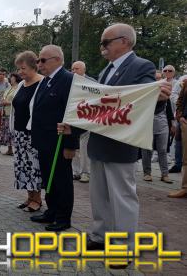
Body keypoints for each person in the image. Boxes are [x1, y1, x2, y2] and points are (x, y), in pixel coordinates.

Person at [59, 24, 172, 269]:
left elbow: (145, 102)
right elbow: (98, 110)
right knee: (99, 195)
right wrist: (74, 128)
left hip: (121, 144)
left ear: (124, 41)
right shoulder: (105, 72)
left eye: (105, 42)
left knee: (122, 197)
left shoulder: (142, 66)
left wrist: (159, 98)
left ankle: (123, 247)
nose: (102, 47)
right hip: (100, 141)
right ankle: (100, 236)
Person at [29, 45, 78, 232]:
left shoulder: (68, 80)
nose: (39, 64)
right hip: (45, 141)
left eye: (42, 60)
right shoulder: (47, 80)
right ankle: (52, 211)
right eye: (38, 60)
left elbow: (73, 114)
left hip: (59, 142)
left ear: (57, 59)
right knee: (48, 178)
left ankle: (63, 217)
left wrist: (71, 144)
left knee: (62, 180)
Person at [12, 52, 43, 212]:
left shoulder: (42, 83)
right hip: (19, 133)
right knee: (22, 166)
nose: (20, 72)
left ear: (33, 66)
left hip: (32, 133)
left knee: (33, 166)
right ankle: (29, 196)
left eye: (23, 68)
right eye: (19, 69)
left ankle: (37, 199)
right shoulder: (21, 85)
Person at [141, 72, 174, 183]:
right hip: (147, 123)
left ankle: (165, 175)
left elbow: (169, 110)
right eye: (156, 78)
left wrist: (172, 124)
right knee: (147, 150)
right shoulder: (146, 92)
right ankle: (147, 173)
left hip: (162, 124)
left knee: (163, 150)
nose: (159, 80)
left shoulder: (165, 93)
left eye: (160, 78)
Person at [70, 61, 92, 183]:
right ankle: (76, 171)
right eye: (72, 69)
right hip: (73, 118)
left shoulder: (91, 82)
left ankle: (85, 172)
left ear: (84, 69)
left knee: (84, 148)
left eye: (76, 69)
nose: (73, 71)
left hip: (86, 119)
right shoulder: (69, 82)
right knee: (74, 146)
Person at [0, 73, 21, 155]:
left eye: (12, 77)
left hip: (13, 113)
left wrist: (7, 102)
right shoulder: (9, 88)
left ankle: (16, 148)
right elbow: (4, 97)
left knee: (12, 130)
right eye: (10, 78)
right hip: (5, 112)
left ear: (16, 78)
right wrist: (2, 100)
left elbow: (17, 101)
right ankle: (10, 149)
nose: (10, 79)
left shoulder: (19, 88)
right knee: (7, 131)